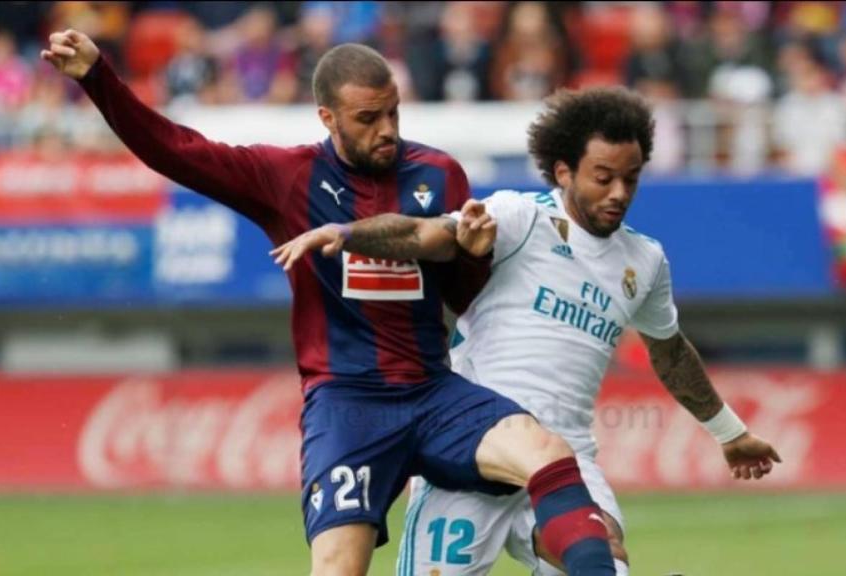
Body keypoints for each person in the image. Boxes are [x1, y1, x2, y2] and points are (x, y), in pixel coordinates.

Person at [42, 30, 621, 576]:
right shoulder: (285, 176)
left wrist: (472, 255)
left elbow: (459, 297)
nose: (387, 130)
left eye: (393, 112)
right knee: (339, 566)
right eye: (368, 119)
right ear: (328, 118)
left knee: (547, 452)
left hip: (432, 390)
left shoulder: (439, 174)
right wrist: (98, 77)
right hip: (347, 404)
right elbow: (174, 148)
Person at [273, 86, 782, 574]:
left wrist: (729, 433)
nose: (619, 193)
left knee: (603, 548)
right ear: (563, 171)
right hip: (468, 449)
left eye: (631, 178)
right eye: (603, 177)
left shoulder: (644, 260)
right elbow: (423, 232)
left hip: (564, 456)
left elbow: (669, 353)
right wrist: (347, 232)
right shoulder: (518, 218)